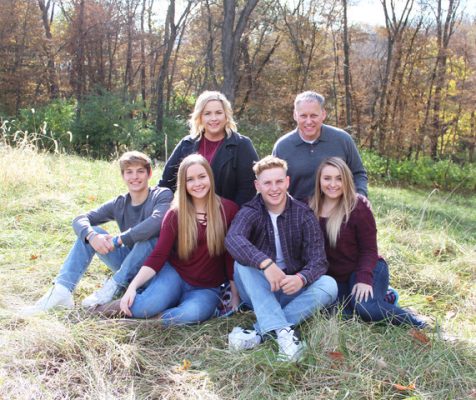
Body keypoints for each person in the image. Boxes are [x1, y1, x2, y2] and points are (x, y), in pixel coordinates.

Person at [22, 151, 173, 315]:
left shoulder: (162, 195)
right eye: (129, 172)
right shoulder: (120, 203)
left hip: (154, 269)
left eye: (140, 171)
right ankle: (62, 290)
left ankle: (114, 285)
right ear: (123, 176)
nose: (135, 177)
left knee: (150, 238)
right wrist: (92, 236)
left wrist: (118, 240)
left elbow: (157, 222)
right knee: (91, 232)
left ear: (149, 173)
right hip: (127, 263)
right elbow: (80, 219)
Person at [103, 154, 239, 325]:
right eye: (190, 179)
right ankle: (100, 310)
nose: (197, 184)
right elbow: (158, 255)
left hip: (207, 287)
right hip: (175, 275)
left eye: (202, 177)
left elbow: (230, 257)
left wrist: (234, 295)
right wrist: (132, 287)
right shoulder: (175, 214)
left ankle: (148, 322)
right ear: (184, 184)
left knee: (193, 313)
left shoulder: (229, 210)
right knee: (144, 306)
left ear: (210, 177)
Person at [225, 156, 337, 361]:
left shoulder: (303, 214)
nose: (274, 188)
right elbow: (233, 239)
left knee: (329, 285)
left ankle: (261, 332)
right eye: (267, 183)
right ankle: (287, 339)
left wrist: (301, 278)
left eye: (279, 182)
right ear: (258, 185)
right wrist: (265, 264)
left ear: (287, 182)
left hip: (291, 288)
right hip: (260, 288)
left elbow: (318, 260)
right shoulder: (250, 211)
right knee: (241, 264)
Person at [309, 157, 426, 328]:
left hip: (366, 268)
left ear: (346, 180)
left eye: (339, 178)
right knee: (326, 311)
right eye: (327, 178)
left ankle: (416, 322)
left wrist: (364, 279)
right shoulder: (309, 207)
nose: (333, 184)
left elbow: (369, 249)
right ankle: (386, 297)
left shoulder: (357, 207)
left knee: (365, 308)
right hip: (336, 278)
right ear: (319, 180)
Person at [159, 90, 259, 206]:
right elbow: (165, 185)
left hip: (229, 218)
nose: (214, 118)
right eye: (207, 113)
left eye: (218, 113)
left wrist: (234, 219)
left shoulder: (242, 145)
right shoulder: (186, 145)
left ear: (226, 115)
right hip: (190, 217)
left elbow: (247, 191)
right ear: (200, 117)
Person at [273, 91, 368, 202]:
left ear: (323, 114)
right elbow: (275, 183)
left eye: (314, 115)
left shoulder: (342, 139)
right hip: (297, 213)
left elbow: (358, 173)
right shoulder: (282, 146)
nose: (308, 121)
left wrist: (360, 197)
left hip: (339, 211)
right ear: (295, 115)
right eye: (303, 116)